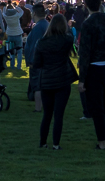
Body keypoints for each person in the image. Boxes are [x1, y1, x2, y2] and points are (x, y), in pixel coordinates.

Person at [76, 0, 105, 150]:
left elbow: (85, 53)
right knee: (103, 102)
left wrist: (82, 79)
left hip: (93, 67)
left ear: (85, 3)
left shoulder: (88, 23)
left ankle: (103, 142)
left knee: (96, 107)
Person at [33, 13, 78, 149]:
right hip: (62, 79)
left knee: (47, 114)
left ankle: (43, 142)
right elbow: (71, 37)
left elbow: (37, 64)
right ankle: (56, 144)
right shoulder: (66, 40)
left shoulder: (42, 42)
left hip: (47, 80)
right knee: (59, 115)